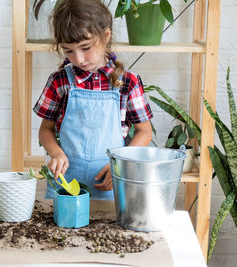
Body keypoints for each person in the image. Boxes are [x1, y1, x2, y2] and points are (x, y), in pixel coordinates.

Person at [33, 0, 153, 200]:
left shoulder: (128, 82)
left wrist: (119, 164)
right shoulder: (59, 81)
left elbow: (145, 131)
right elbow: (45, 129)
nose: (78, 59)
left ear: (106, 36)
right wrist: (56, 153)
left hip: (110, 183)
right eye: (69, 50)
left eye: (85, 47)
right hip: (65, 186)